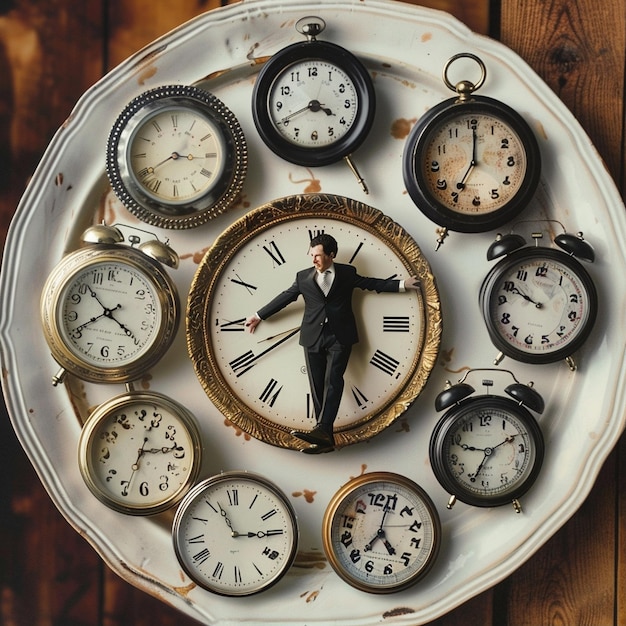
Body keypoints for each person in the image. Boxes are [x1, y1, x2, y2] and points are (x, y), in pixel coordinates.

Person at [245, 233, 420, 454]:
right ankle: (324, 436)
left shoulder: (347, 273)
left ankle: (323, 431)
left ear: (331, 255)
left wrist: (403, 284)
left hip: (340, 334)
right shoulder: (302, 277)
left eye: (318, 256)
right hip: (312, 336)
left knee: (333, 380)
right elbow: (285, 297)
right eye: (311, 255)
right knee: (317, 385)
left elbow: (370, 284)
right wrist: (259, 315)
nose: (313, 260)